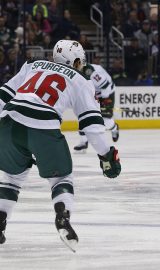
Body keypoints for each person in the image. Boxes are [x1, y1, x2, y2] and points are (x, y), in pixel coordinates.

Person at [0, 40, 121, 251]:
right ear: (74, 60)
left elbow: (3, 95)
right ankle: (62, 217)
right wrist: (107, 155)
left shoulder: (32, 65)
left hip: (8, 122)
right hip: (43, 125)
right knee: (61, 178)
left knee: (12, 178)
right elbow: (92, 125)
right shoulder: (81, 80)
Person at [74, 62, 119, 151]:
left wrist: (104, 101)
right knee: (83, 116)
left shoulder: (89, 71)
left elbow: (105, 86)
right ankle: (84, 142)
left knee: (106, 120)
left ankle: (114, 128)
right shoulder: (74, 71)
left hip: (106, 92)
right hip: (92, 93)